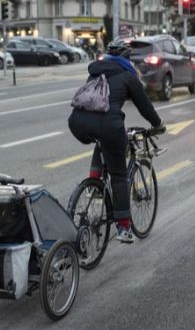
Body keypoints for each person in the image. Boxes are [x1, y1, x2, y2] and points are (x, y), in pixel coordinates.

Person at [68, 42, 164, 244]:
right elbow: (144, 106)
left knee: (102, 139)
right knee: (118, 175)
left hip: (77, 123)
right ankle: (124, 227)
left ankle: (94, 183)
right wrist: (158, 124)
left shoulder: (95, 73)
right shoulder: (128, 76)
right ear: (127, 59)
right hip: (109, 126)